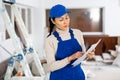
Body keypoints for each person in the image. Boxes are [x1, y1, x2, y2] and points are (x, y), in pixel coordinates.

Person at [45, 4, 95, 80]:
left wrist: (88, 55)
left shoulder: (78, 33)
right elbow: (51, 67)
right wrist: (71, 58)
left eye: (67, 18)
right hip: (59, 77)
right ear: (53, 21)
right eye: (61, 20)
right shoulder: (50, 40)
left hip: (78, 76)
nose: (65, 22)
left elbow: (82, 56)